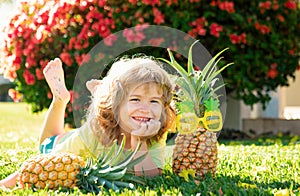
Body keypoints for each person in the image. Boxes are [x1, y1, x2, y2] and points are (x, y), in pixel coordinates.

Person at [0, 55, 176, 188]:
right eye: (135, 100)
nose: (146, 109)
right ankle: (60, 99)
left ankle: (101, 90)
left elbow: (151, 178)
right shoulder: (94, 132)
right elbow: (45, 161)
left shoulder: (153, 128)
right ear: (115, 105)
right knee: (46, 143)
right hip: (64, 143)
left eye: (154, 101)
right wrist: (5, 184)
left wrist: (140, 141)